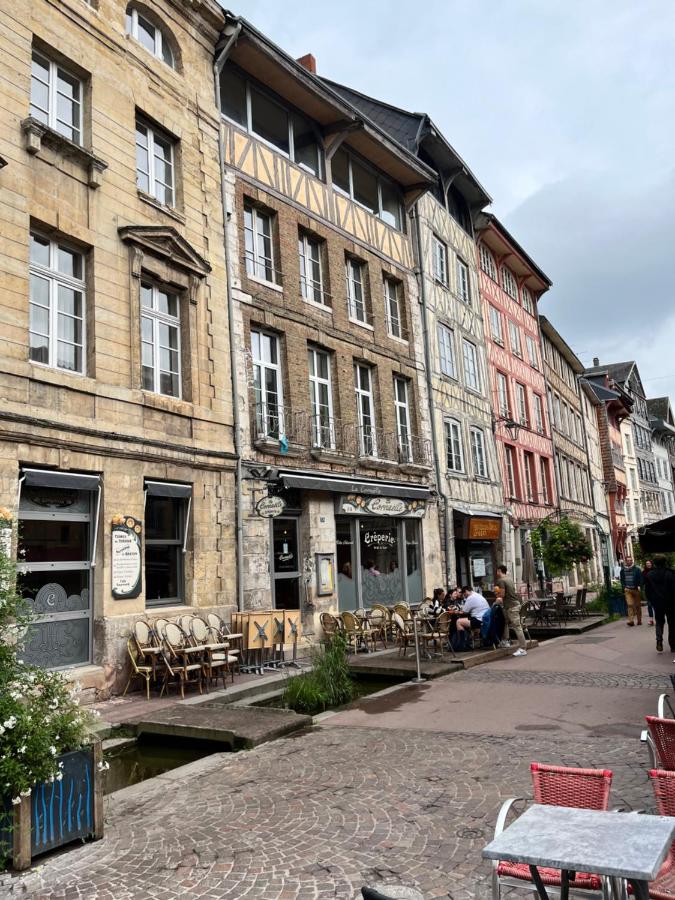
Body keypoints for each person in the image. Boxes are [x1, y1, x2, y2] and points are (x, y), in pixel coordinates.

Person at [643, 556, 675, 653]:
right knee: (672, 623)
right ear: (665, 562)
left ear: (655, 563)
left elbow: (647, 591)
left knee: (659, 621)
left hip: (657, 603)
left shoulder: (649, 575)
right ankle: (673, 645)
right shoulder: (671, 573)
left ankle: (659, 640)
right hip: (671, 602)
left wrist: (651, 600)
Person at [495, 563, 527, 657]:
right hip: (514, 605)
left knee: (517, 627)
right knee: (505, 622)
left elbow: (502, 595)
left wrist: (496, 593)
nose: (496, 573)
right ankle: (506, 640)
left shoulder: (501, 581)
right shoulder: (509, 579)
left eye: (497, 571)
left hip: (511, 606)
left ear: (499, 571)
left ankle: (523, 648)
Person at [620, 556, 643, 626]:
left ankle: (639, 620)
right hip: (628, 589)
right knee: (630, 605)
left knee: (637, 605)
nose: (629, 562)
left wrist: (639, 585)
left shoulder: (637, 569)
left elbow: (641, 578)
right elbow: (622, 580)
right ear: (626, 561)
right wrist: (624, 587)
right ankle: (631, 621)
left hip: (636, 589)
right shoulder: (623, 570)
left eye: (630, 560)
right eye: (628, 560)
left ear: (632, 561)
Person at [643, 559, 655, 626]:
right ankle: (651, 620)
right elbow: (642, 581)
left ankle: (658, 619)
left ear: (651, 564)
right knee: (649, 606)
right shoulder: (644, 572)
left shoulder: (655, 571)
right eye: (647, 563)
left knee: (656, 606)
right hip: (648, 591)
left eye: (649, 563)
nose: (648, 564)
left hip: (656, 591)